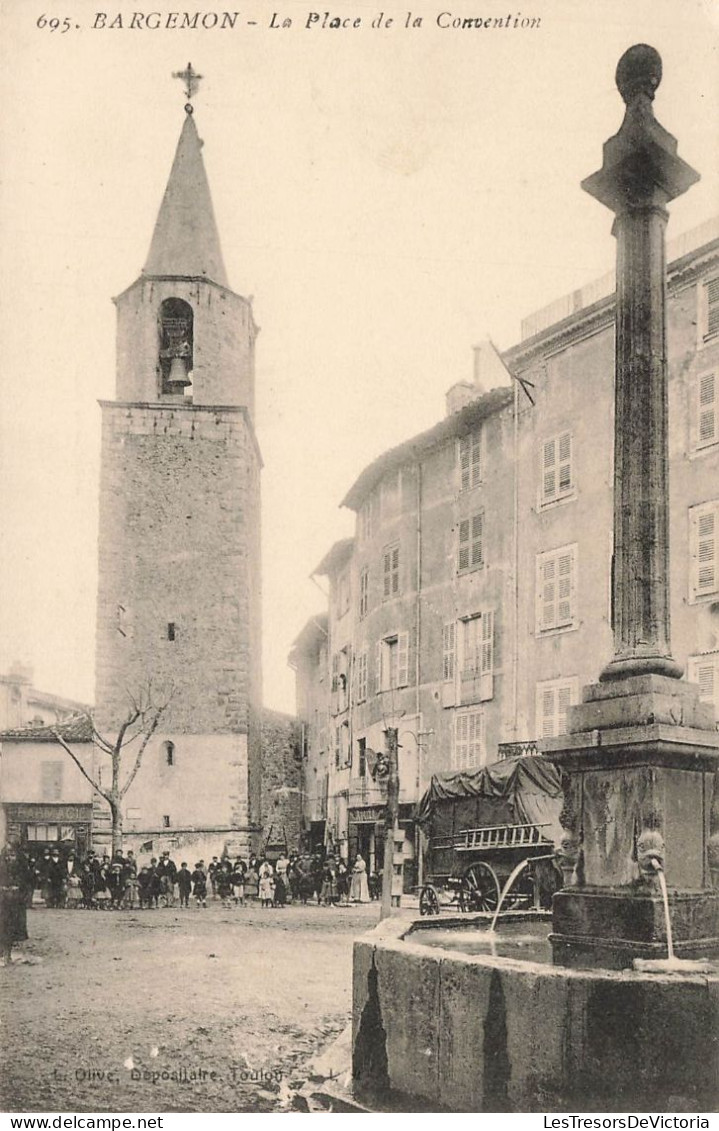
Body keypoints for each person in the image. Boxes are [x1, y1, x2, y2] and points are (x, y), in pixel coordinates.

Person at [0, 844, 28, 963]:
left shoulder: (21, 868)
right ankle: (3, 953)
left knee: (11, 928)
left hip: (15, 903)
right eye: (7, 855)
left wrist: (18, 889)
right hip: (2, 901)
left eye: (12, 855)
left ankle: (8, 954)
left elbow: (26, 884)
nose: (9, 858)